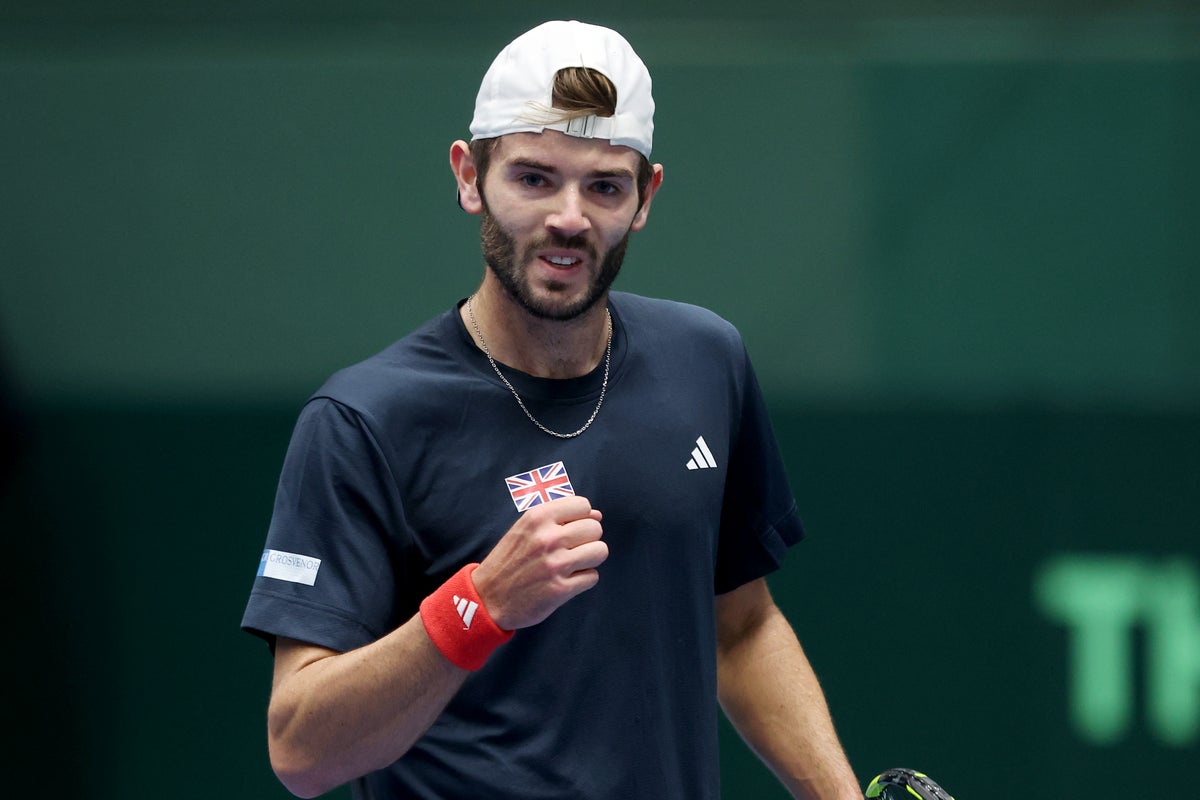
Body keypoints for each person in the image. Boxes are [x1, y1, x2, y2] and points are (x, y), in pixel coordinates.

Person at [242, 19, 861, 800]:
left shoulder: (706, 360)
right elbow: (301, 750)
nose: (570, 217)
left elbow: (742, 628)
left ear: (646, 197)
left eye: (604, 186)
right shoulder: (362, 420)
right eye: (534, 179)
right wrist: (480, 606)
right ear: (469, 177)